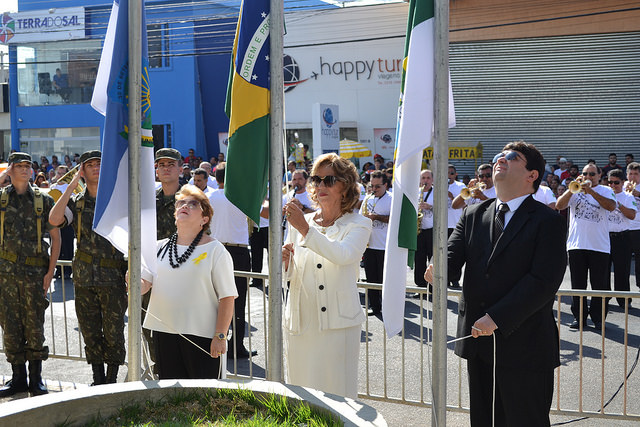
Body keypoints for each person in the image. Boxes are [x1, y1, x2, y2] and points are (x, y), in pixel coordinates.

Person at [425, 141, 567, 426]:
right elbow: (450, 259)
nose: (501, 159)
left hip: (525, 345)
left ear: (532, 175)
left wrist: (497, 318)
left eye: (513, 157)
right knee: (484, 420)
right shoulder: (473, 213)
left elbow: (543, 281)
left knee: (524, 420)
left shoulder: (547, 220)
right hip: (479, 344)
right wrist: (436, 267)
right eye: (499, 156)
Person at [282, 152, 372, 398]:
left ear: (345, 186)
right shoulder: (302, 220)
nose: (321, 185)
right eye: (316, 180)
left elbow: (344, 255)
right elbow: (289, 276)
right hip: (301, 321)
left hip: (338, 324)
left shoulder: (360, 224)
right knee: (301, 393)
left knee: (338, 393)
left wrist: (304, 229)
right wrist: (286, 263)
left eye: (329, 180)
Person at [139, 185, 237, 379]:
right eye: (181, 203)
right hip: (164, 333)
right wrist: (133, 280)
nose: (184, 206)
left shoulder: (216, 250)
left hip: (203, 336)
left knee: (205, 399)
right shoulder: (158, 247)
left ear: (204, 219)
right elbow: (143, 286)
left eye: (193, 204)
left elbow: (227, 297)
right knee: (173, 397)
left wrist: (220, 336)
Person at [49, 150, 128, 385]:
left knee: (113, 331)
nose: (95, 167)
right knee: (90, 331)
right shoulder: (77, 203)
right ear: (82, 170)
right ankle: (97, 377)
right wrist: (71, 185)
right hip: (84, 277)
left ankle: (112, 379)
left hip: (112, 276)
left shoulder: (117, 199)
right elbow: (54, 219)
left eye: (99, 164)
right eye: (89, 164)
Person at [0, 152, 61, 397]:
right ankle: (17, 379)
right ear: (11, 170)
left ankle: (35, 379)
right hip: (5, 274)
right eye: (19, 166)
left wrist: (50, 271)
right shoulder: (2, 199)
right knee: (10, 327)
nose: (25, 170)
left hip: (35, 274)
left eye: (28, 166)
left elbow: (55, 238)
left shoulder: (43, 200)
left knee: (35, 326)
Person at [556, 164, 616, 329]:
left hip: (599, 246)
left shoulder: (605, 190)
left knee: (599, 285)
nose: (588, 176)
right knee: (578, 284)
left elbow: (611, 206)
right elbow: (559, 205)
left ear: (599, 175)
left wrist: (591, 192)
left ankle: (598, 318)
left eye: (591, 174)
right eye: (585, 173)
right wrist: (571, 189)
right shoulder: (574, 191)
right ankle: (579, 317)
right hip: (576, 245)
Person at [209, 162, 255, 359]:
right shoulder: (241, 197)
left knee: (216, 299)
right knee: (238, 299)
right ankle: (237, 346)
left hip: (216, 250)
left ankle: (216, 340)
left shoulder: (209, 197)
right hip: (238, 252)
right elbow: (264, 214)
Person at [359, 170, 391, 316]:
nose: (374, 189)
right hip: (369, 245)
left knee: (385, 279)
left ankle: (388, 307)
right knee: (371, 278)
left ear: (385, 185)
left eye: (378, 186)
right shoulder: (368, 199)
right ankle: (374, 306)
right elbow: (360, 218)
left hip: (385, 246)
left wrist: (376, 217)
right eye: (372, 186)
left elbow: (395, 219)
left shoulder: (391, 199)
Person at [606, 169, 637, 307]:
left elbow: (631, 215)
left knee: (622, 270)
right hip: (605, 237)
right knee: (603, 270)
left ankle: (624, 300)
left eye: (616, 182)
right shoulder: (604, 194)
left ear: (623, 182)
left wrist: (618, 204)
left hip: (622, 237)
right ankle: (604, 298)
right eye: (610, 182)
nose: (613, 185)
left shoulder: (627, 196)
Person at [414, 169, 434, 293]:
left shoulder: (436, 192)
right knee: (419, 258)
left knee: (432, 259)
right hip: (419, 230)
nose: (425, 181)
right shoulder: (416, 192)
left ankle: (432, 286)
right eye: (423, 178)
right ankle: (420, 286)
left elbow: (445, 210)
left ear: (432, 180)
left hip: (432, 230)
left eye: (428, 178)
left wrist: (430, 207)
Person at [624, 162, 640, 290]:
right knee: (623, 263)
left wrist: (638, 194)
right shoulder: (620, 185)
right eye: (631, 174)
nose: (633, 177)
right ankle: (624, 293)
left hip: (638, 228)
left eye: (636, 174)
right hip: (624, 228)